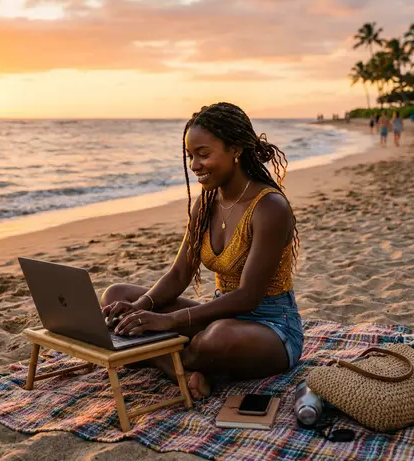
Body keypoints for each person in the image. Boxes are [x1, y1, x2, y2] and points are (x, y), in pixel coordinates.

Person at [101, 102, 304, 400]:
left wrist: (168, 321)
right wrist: (143, 305)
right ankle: (180, 368)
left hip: (272, 328)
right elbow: (179, 272)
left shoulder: (269, 207)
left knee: (216, 338)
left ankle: (161, 360)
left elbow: (248, 296)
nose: (195, 165)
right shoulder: (206, 203)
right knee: (116, 296)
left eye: (204, 154)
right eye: (190, 156)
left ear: (235, 150)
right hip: (218, 314)